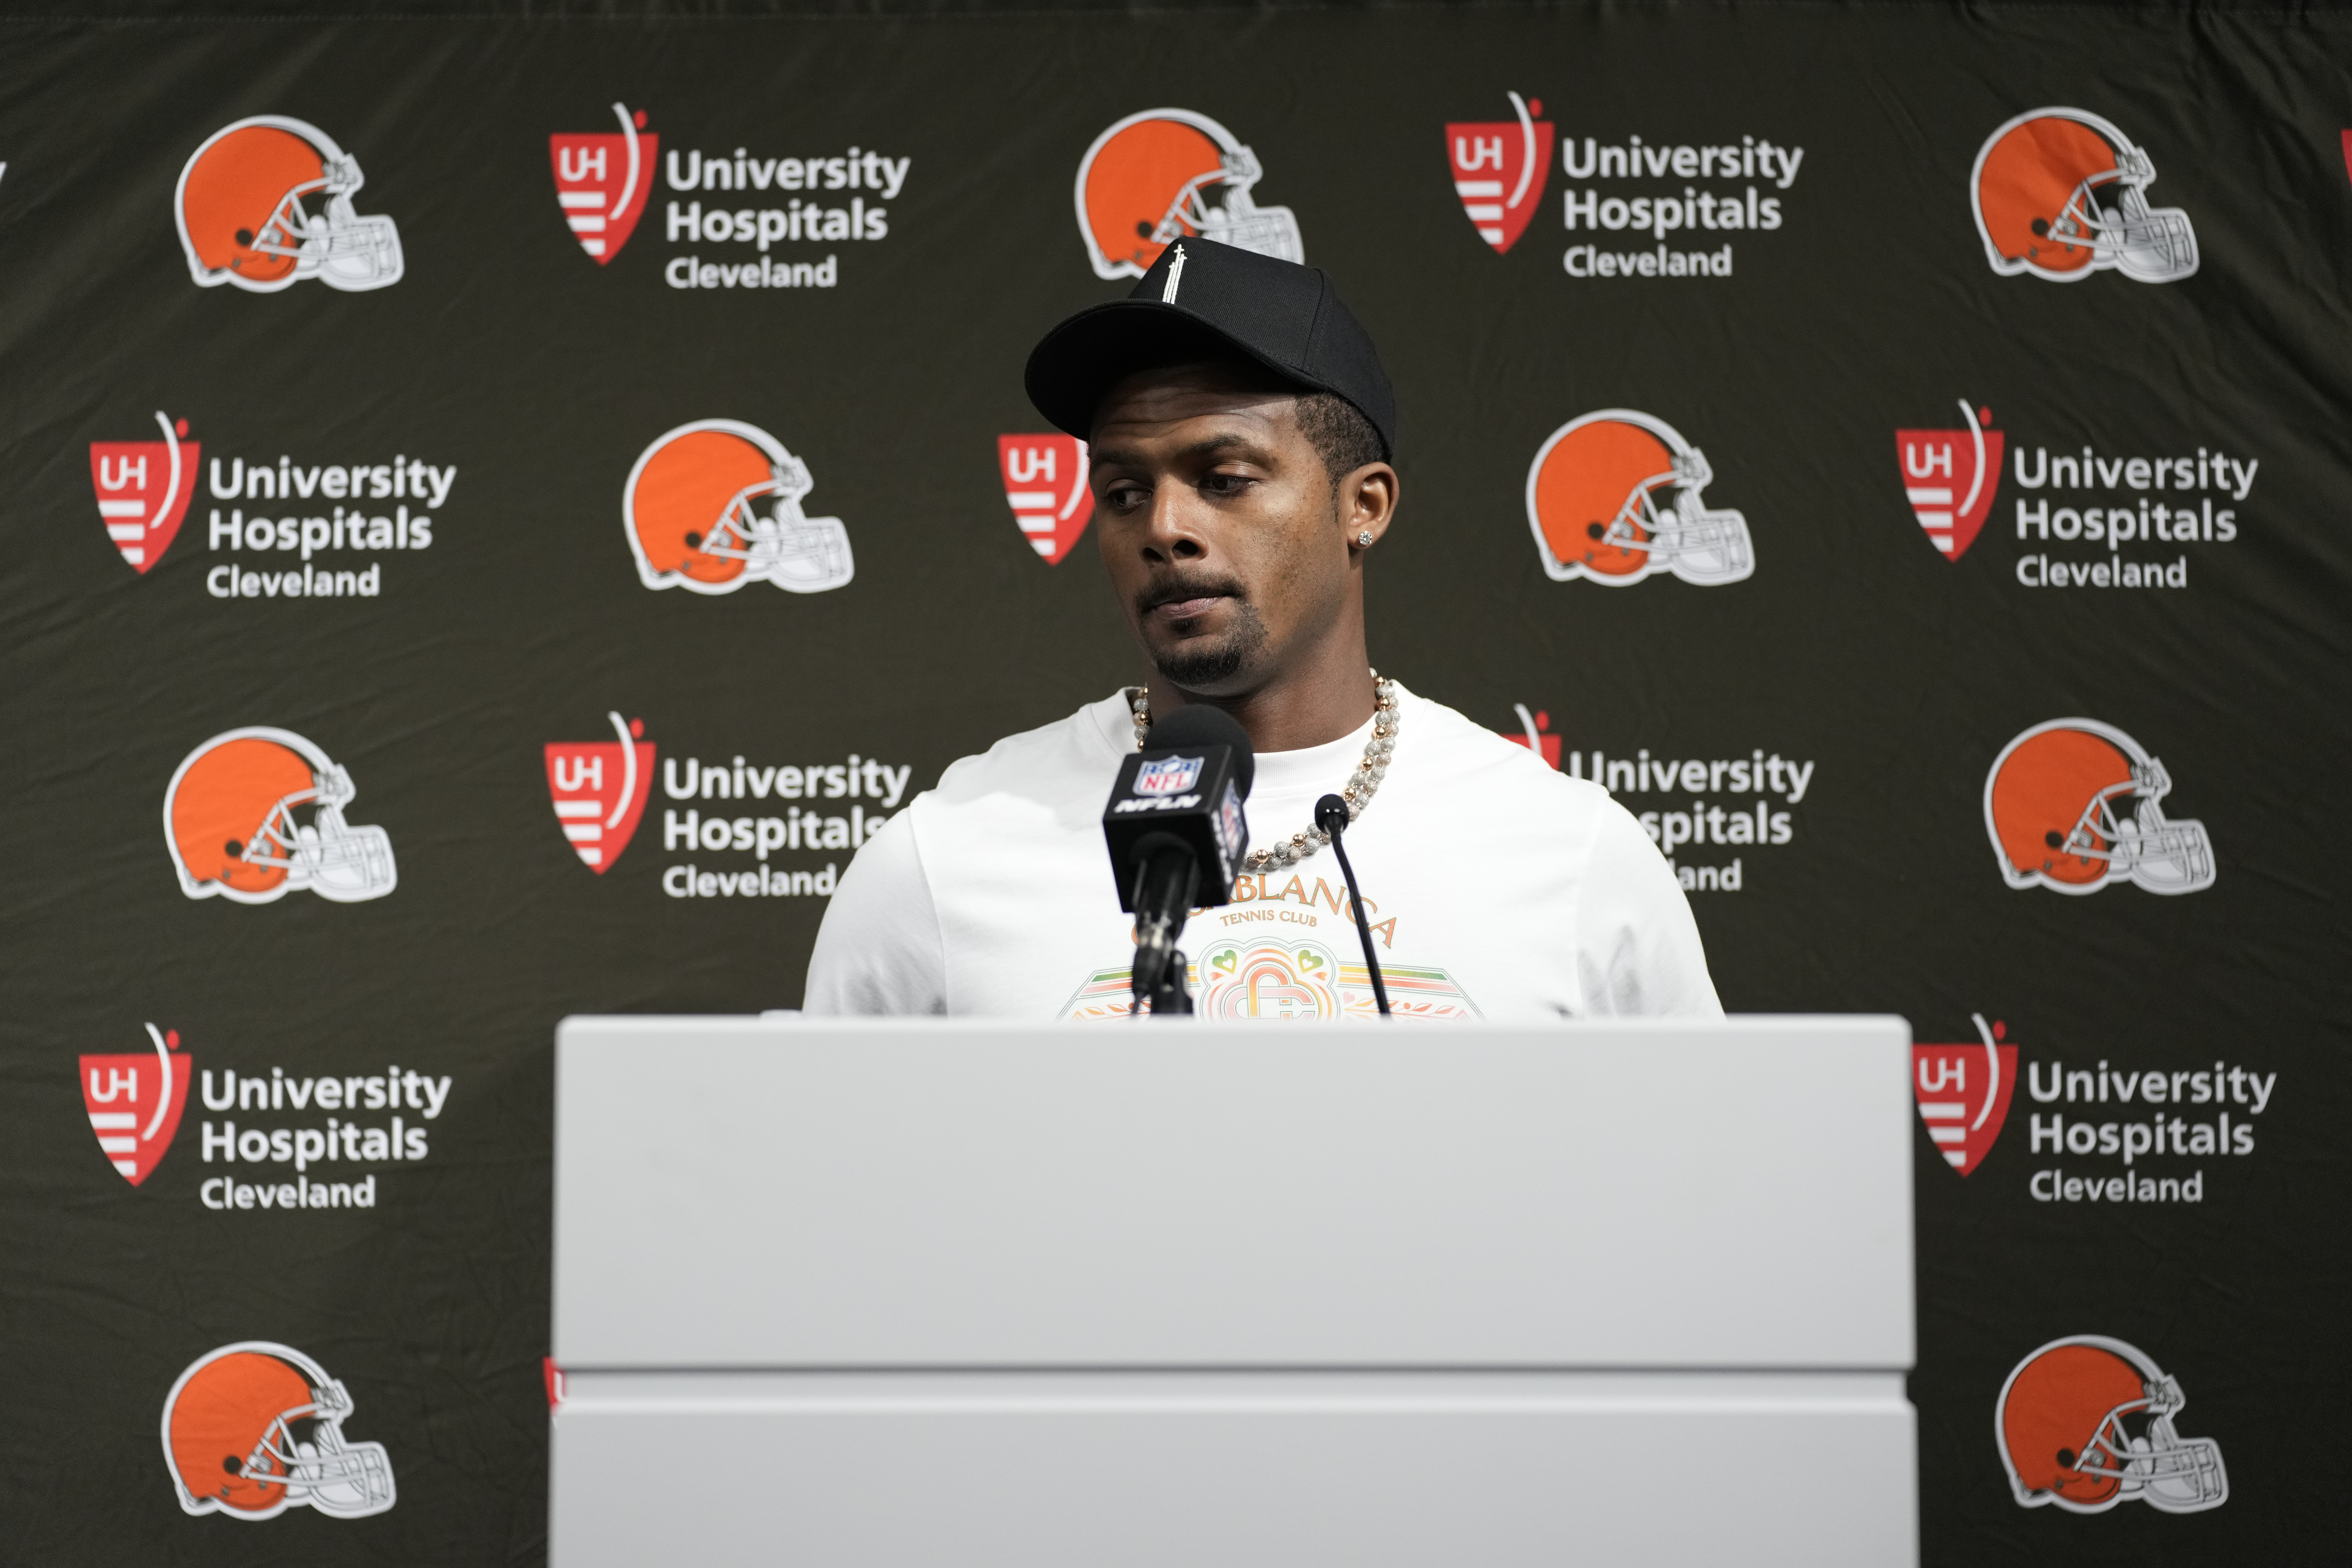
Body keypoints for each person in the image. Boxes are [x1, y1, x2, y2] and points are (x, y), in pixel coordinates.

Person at [805, 237, 1719, 1020]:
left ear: (1364, 505)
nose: (1163, 527)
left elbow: (1703, 1193)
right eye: (1124, 492)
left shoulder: (1568, 854)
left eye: (1225, 479)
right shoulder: (945, 858)